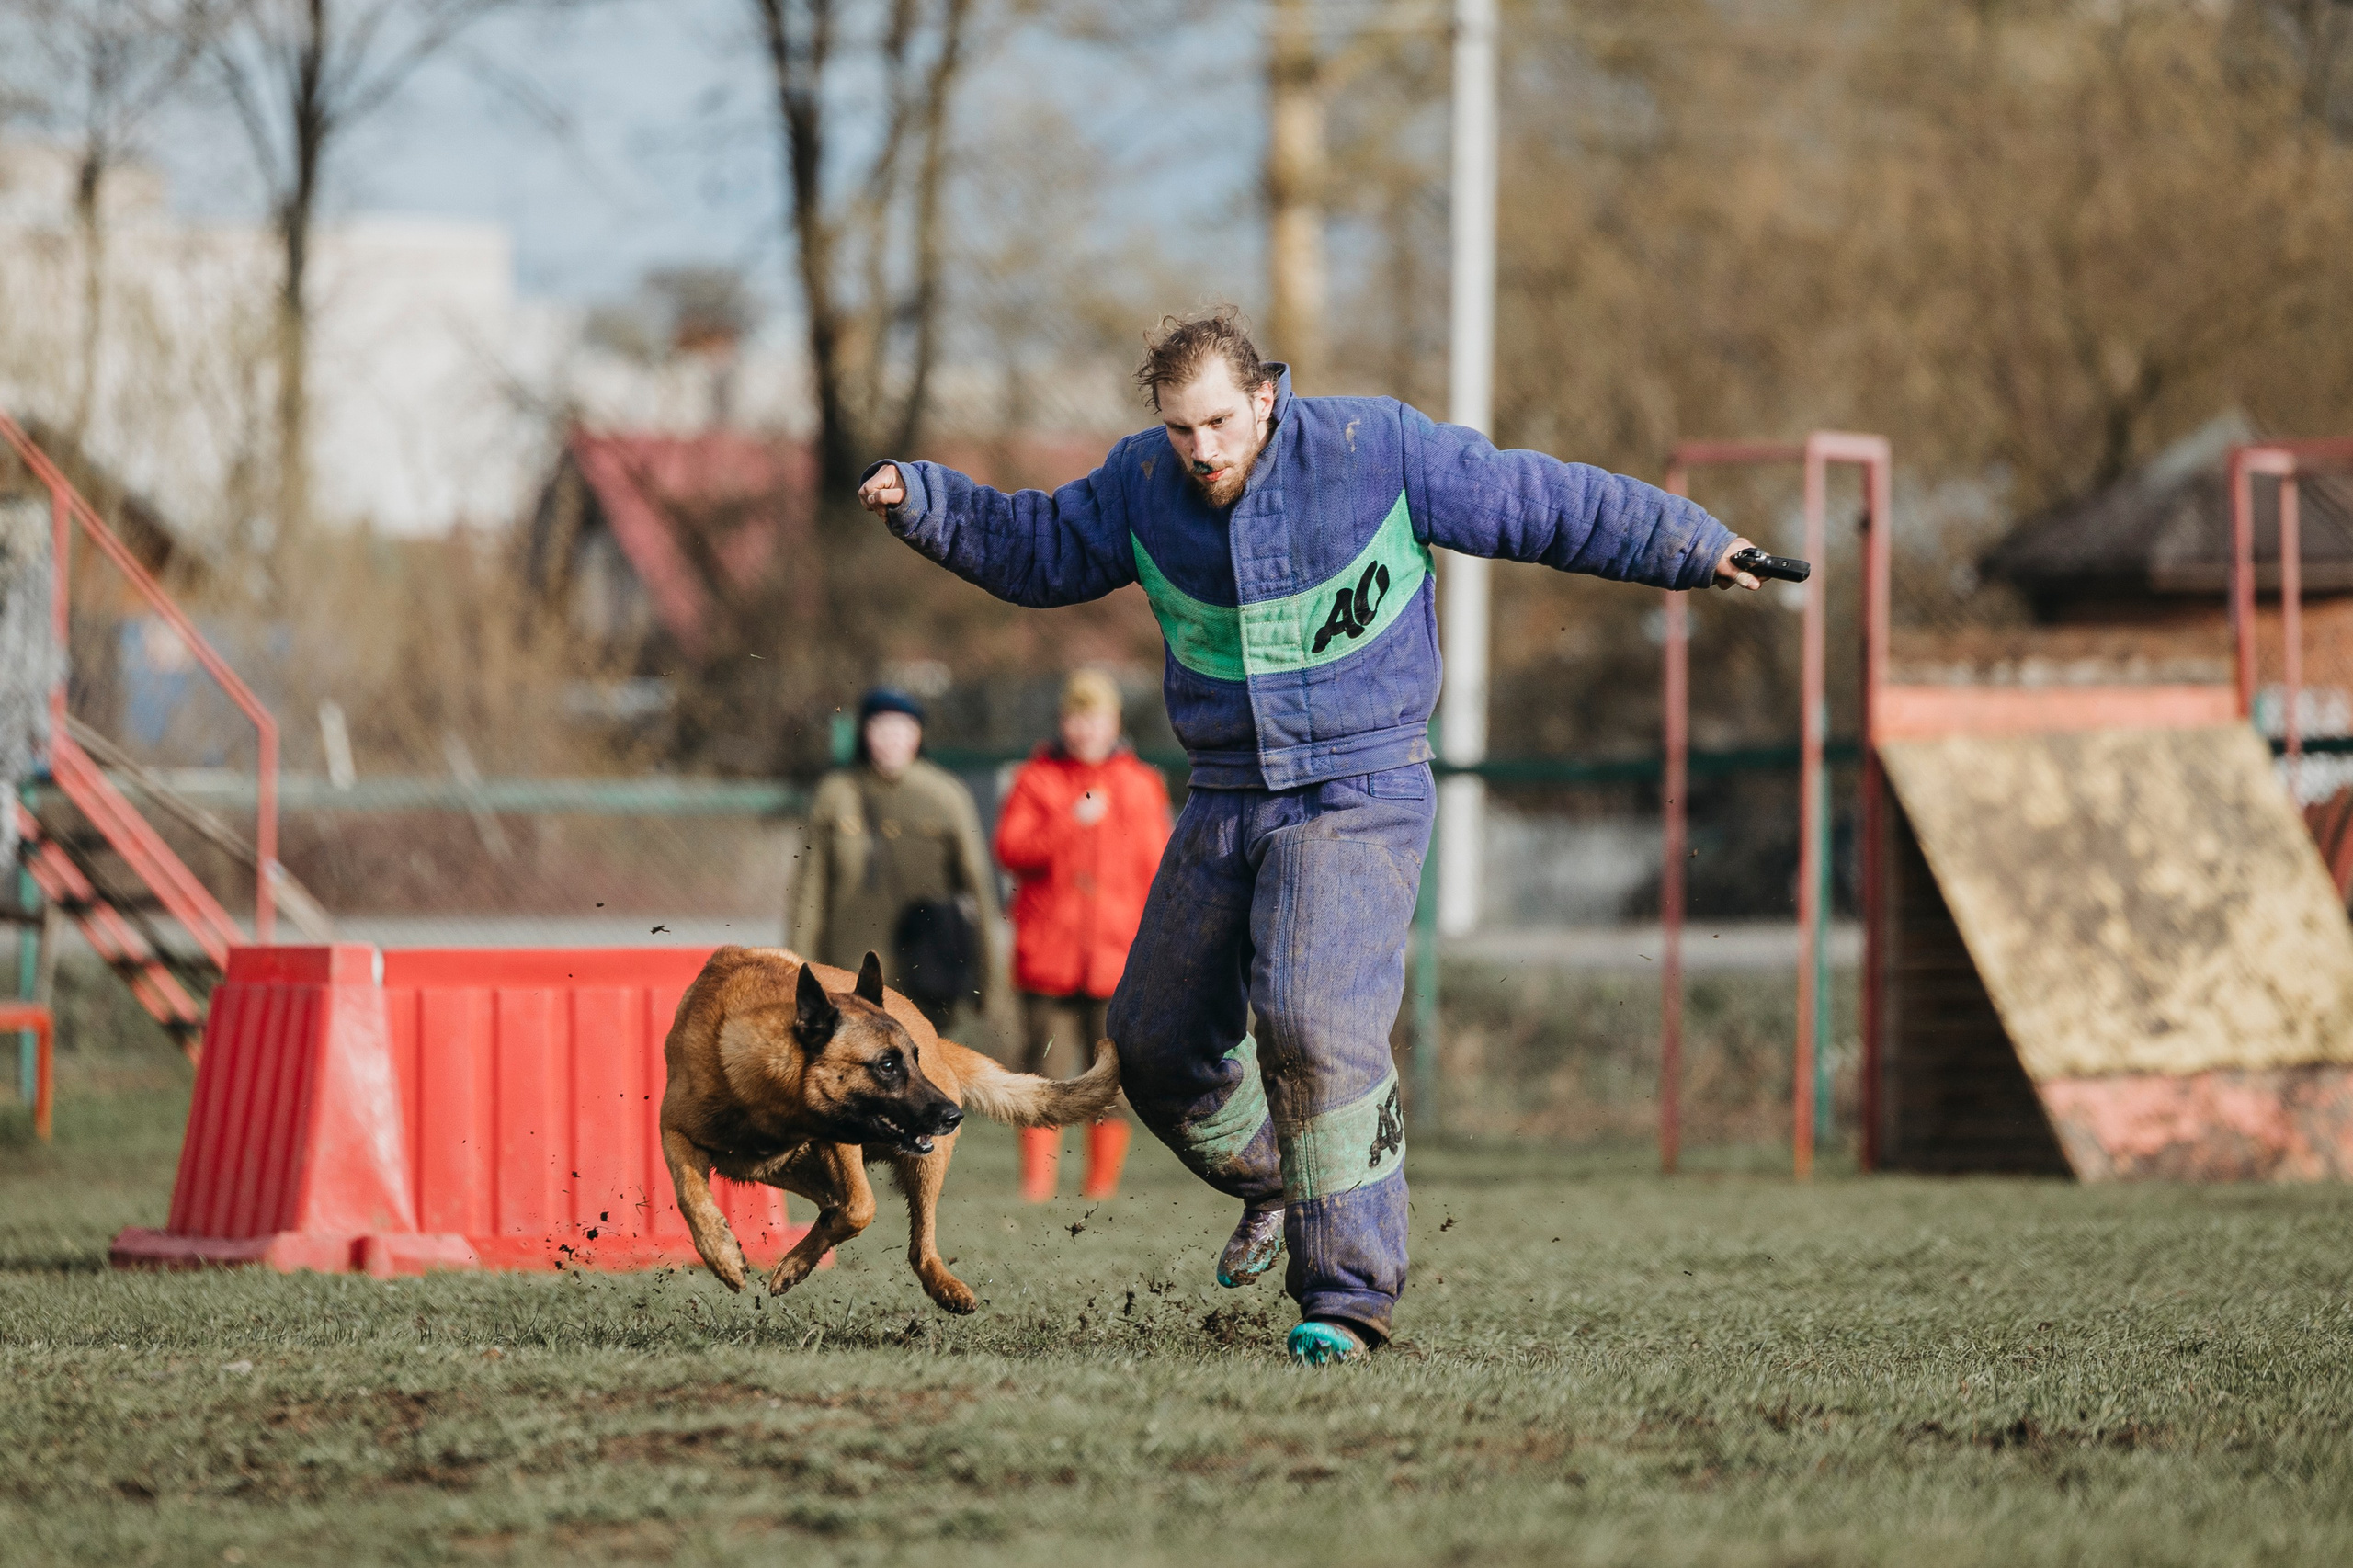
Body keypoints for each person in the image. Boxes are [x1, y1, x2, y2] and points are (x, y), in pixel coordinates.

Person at [857, 309, 1765, 1365]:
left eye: (1217, 423)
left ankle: (1346, 1294)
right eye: (1179, 429)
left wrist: (1694, 544)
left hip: (1359, 787)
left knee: (1308, 1013)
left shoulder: (1376, 451)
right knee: (1151, 1042)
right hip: (1228, 792)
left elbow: (1540, 500)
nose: (1201, 450)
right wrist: (924, 498)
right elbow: (1037, 545)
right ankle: (1282, 1183)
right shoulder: (1141, 484)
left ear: (1264, 396)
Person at [995, 668, 1173, 1204]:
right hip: (1049, 955)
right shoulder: (1035, 779)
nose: (1085, 729)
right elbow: (1011, 850)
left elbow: (1158, 870)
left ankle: (1100, 1188)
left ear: (1114, 722)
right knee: (1041, 1072)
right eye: (1076, 718)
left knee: (1111, 1075)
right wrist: (1072, 823)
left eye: (1095, 718)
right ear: (1063, 722)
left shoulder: (1141, 785)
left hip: (1117, 958)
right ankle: (1037, 1185)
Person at [791, 687, 1000, 1031]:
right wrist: (797, 974)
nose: (891, 740)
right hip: (849, 973)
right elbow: (809, 892)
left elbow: (977, 887)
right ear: (864, 733)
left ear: (917, 735)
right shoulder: (835, 794)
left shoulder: (945, 796)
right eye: (880, 727)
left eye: (901, 729)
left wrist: (988, 983)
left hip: (926, 976)